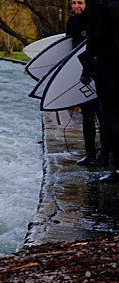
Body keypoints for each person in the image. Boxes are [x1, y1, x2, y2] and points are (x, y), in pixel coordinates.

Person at [67, 0, 109, 166]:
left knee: (103, 116)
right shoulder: (71, 22)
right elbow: (69, 51)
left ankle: (105, 155)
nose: (76, 6)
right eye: (73, 3)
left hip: (98, 72)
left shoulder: (96, 19)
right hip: (81, 74)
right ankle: (89, 153)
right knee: (87, 116)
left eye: (80, 3)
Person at [82, 0, 119, 182]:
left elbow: (94, 36)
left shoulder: (99, 3)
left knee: (111, 116)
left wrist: (87, 67)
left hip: (108, 64)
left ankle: (118, 168)